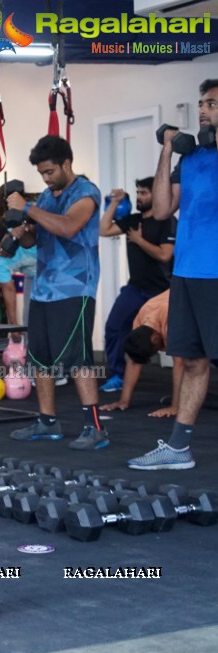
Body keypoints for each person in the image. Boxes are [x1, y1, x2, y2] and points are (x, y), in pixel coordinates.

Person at [128, 79, 218, 471]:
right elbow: (163, 209)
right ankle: (179, 447)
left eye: (212, 104)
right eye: (201, 103)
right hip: (185, 274)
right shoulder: (192, 158)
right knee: (193, 360)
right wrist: (167, 151)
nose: (203, 110)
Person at [6, 135, 107, 450]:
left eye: (50, 171)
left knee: (79, 359)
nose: (46, 178)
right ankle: (48, 421)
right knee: (40, 359)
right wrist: (21, 232)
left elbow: (67, 227)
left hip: (75, 288)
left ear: (67, 163)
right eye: (41, 174)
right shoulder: (47, 198)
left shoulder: (86, 193)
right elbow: (35, 240)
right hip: (44, 288)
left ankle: (95, 427)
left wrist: (29, 210)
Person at [98, 177, 175, 393]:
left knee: (177, 340)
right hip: (136, 288)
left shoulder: (167, 221)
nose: (139, 197)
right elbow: (104, 230)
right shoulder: (132, 220)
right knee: (114, 327)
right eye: (138, 193)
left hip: (162, 292)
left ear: (156, 195)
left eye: (144, 193)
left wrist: (139, 240)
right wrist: (114, 202)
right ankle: (118, 375)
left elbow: (165, 255)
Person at [101, 291, 183, 417]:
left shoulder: (170, 319)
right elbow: (134, 361)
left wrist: (175, 407)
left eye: (158, 349)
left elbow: (180, 363)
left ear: (155, 339)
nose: (162, 349)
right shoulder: (142, 318)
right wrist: (123, 401)